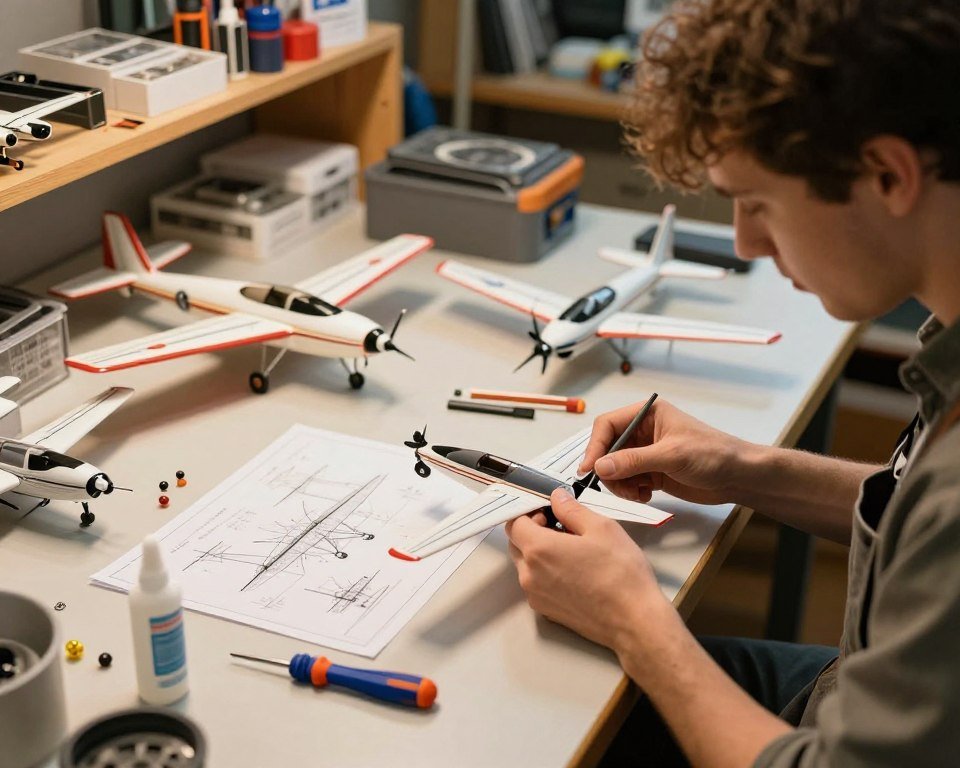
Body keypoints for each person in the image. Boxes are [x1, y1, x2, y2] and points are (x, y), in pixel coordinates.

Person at [505, 0, 960, 765]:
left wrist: (634, 621)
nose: (746, 242)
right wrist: (749, 468)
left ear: (887, 173)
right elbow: (918, 520)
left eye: (757, 203)